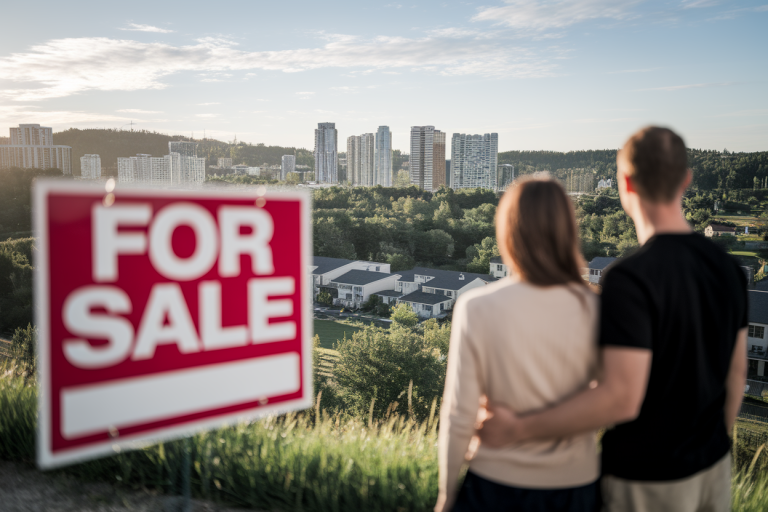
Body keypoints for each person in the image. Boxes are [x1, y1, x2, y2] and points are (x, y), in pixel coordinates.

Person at [477, 126, 748, 512]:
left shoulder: (631, 278)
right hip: (714, 469)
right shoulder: (729, 269)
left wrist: (518, 428)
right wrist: (709, 444)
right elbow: (736, 375)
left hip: (648, 477)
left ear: (625, 183)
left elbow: (621, 399)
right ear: (686, 180)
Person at [435, 177, 601, 512]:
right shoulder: (597, 307)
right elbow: (610, 400)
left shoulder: (477, 306)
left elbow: (459, 412)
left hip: (495, 483)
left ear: (508, 230)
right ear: (567, 230)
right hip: (576, 486)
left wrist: (446, 494)